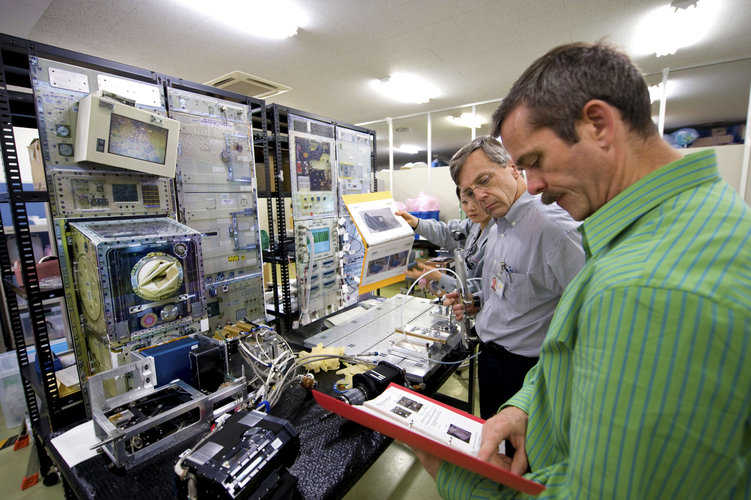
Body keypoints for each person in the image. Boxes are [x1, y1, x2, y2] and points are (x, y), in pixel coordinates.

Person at [417, 42, 751, 499]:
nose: (533, 186)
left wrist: (455, 476)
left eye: (534, 162)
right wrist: (529, 405)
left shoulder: (649, 286)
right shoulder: (669, 226)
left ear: (599, 125)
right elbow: (572, 348)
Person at [443, 136, 585, 420]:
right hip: (492, 360)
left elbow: (590, 319)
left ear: (512, 167)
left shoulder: (555, 231)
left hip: (528, 372)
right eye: (469, 191)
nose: (479, 197)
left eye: (484, 180)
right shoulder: (498, 226)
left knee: (524, 458)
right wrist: (478, 301)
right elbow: (510, 288)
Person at [397, 187, 492, 296]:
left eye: (476, 201)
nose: (471, 208)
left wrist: (440, 278)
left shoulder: (498, 236)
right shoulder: (474, 224)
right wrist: (416, 223)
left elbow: (485, 290)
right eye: (464, 202)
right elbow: (447, 233)